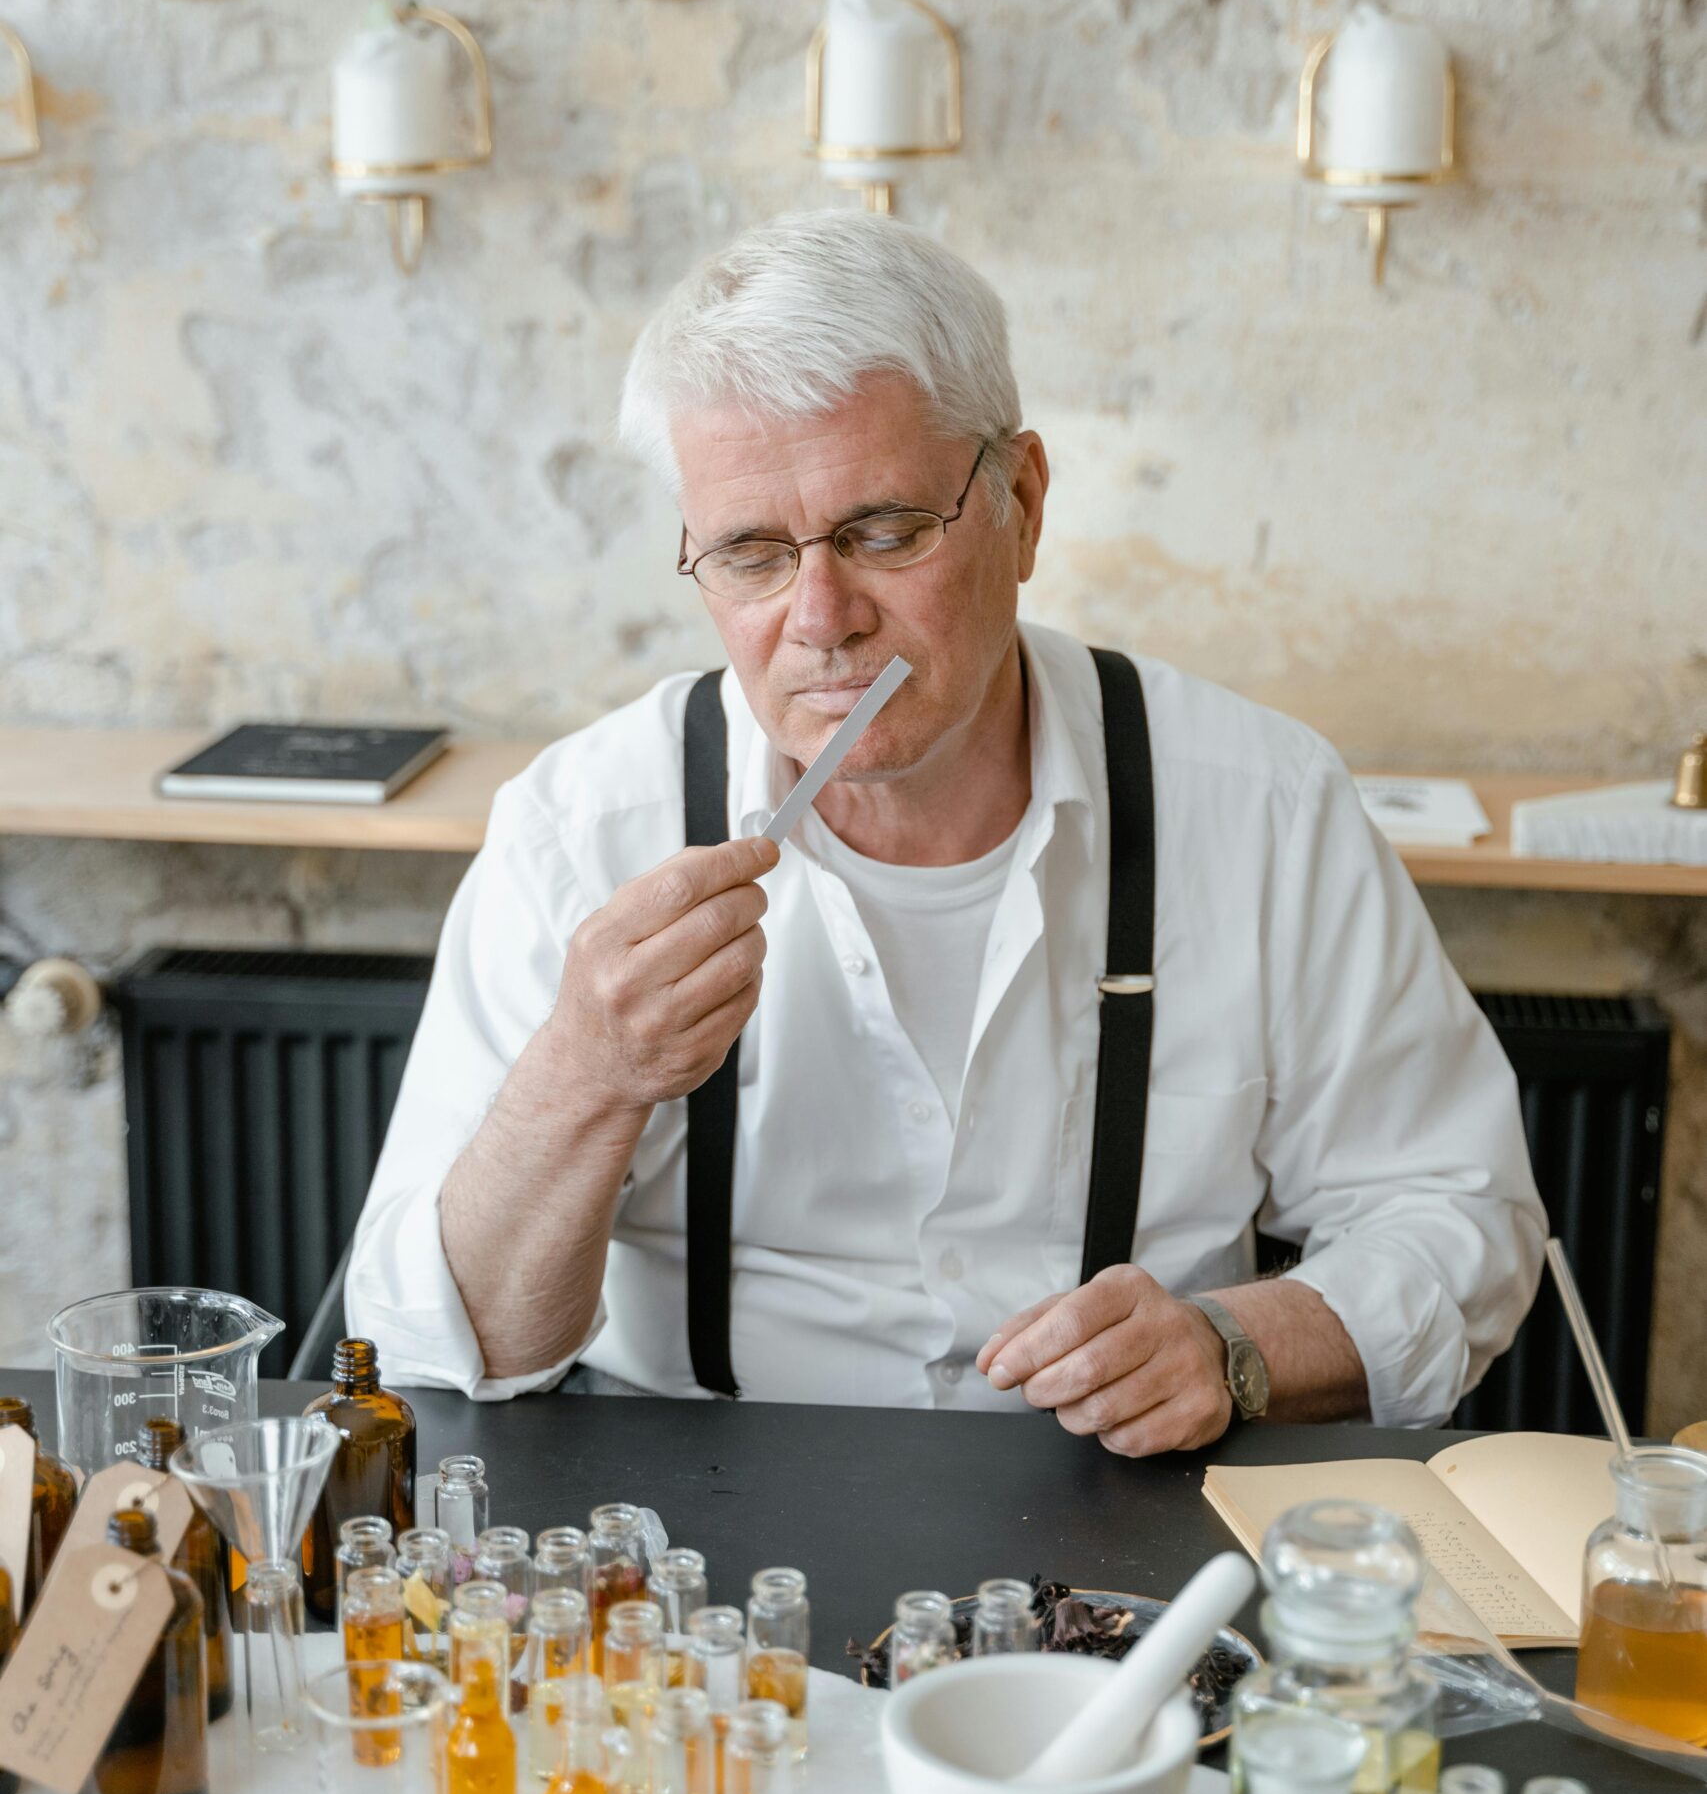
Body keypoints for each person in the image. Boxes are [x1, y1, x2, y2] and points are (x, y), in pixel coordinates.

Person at [346, 212, 1544, 1452]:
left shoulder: (1259, 805)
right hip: (694, 1531)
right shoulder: (578, 829)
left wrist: (1233, 1349)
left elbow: (1461, 1219)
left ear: (1021, 503)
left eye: (883, 532)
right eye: (753, 553)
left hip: (1123, 1521)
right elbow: (430, 1349)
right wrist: (584, 1078)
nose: (823, 618)